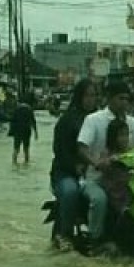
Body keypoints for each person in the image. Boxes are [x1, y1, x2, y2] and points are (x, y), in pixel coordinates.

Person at [78, 80, 134, 256]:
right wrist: (97, 163)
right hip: (97, 179)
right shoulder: (93, 120)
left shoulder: (132, 122)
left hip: (126, 177)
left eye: (127, 99)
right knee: (99, 200)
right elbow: (82, 148)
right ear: (109, 98)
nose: (125, 103)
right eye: (121, 98)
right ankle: (95, 241)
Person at [50, 80, 99, 251]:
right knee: (70, 192)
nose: (91, 99)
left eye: (94, 95)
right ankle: (65, 234)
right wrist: (74, 166)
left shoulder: (100, 119)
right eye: (87, 95)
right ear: (79, 97)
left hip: (96, 170)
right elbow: (59, 150)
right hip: (66, 172)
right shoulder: (67, 120)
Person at [9, 97, 38, 164]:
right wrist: (36, 132)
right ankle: (26, 163)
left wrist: (11, 131)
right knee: (26, 149)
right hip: (26, 130)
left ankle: (14, 163)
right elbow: (33, 121)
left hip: (17, 130)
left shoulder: (17, 108)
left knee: (16, 149)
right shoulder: (29, 109)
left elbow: (12, 121)